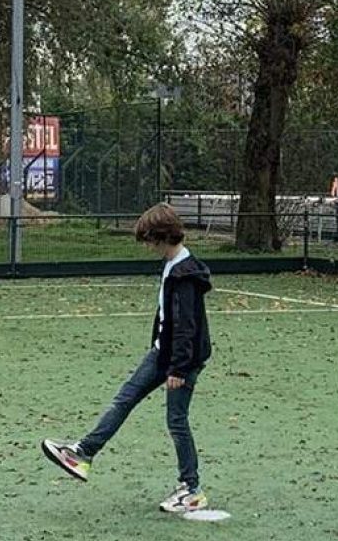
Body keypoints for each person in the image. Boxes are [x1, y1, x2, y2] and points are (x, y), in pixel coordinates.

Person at [42, 203, 213, 513]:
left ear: (161, 237)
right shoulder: (172, 266)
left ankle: (192, 489)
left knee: (176, 421)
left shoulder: (184, 274)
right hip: (163, 354)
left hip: (180, 361)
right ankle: (83, 454)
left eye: (148, 240)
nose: (146, 246)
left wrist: (178, 368)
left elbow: (187, 326)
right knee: (124, 399)